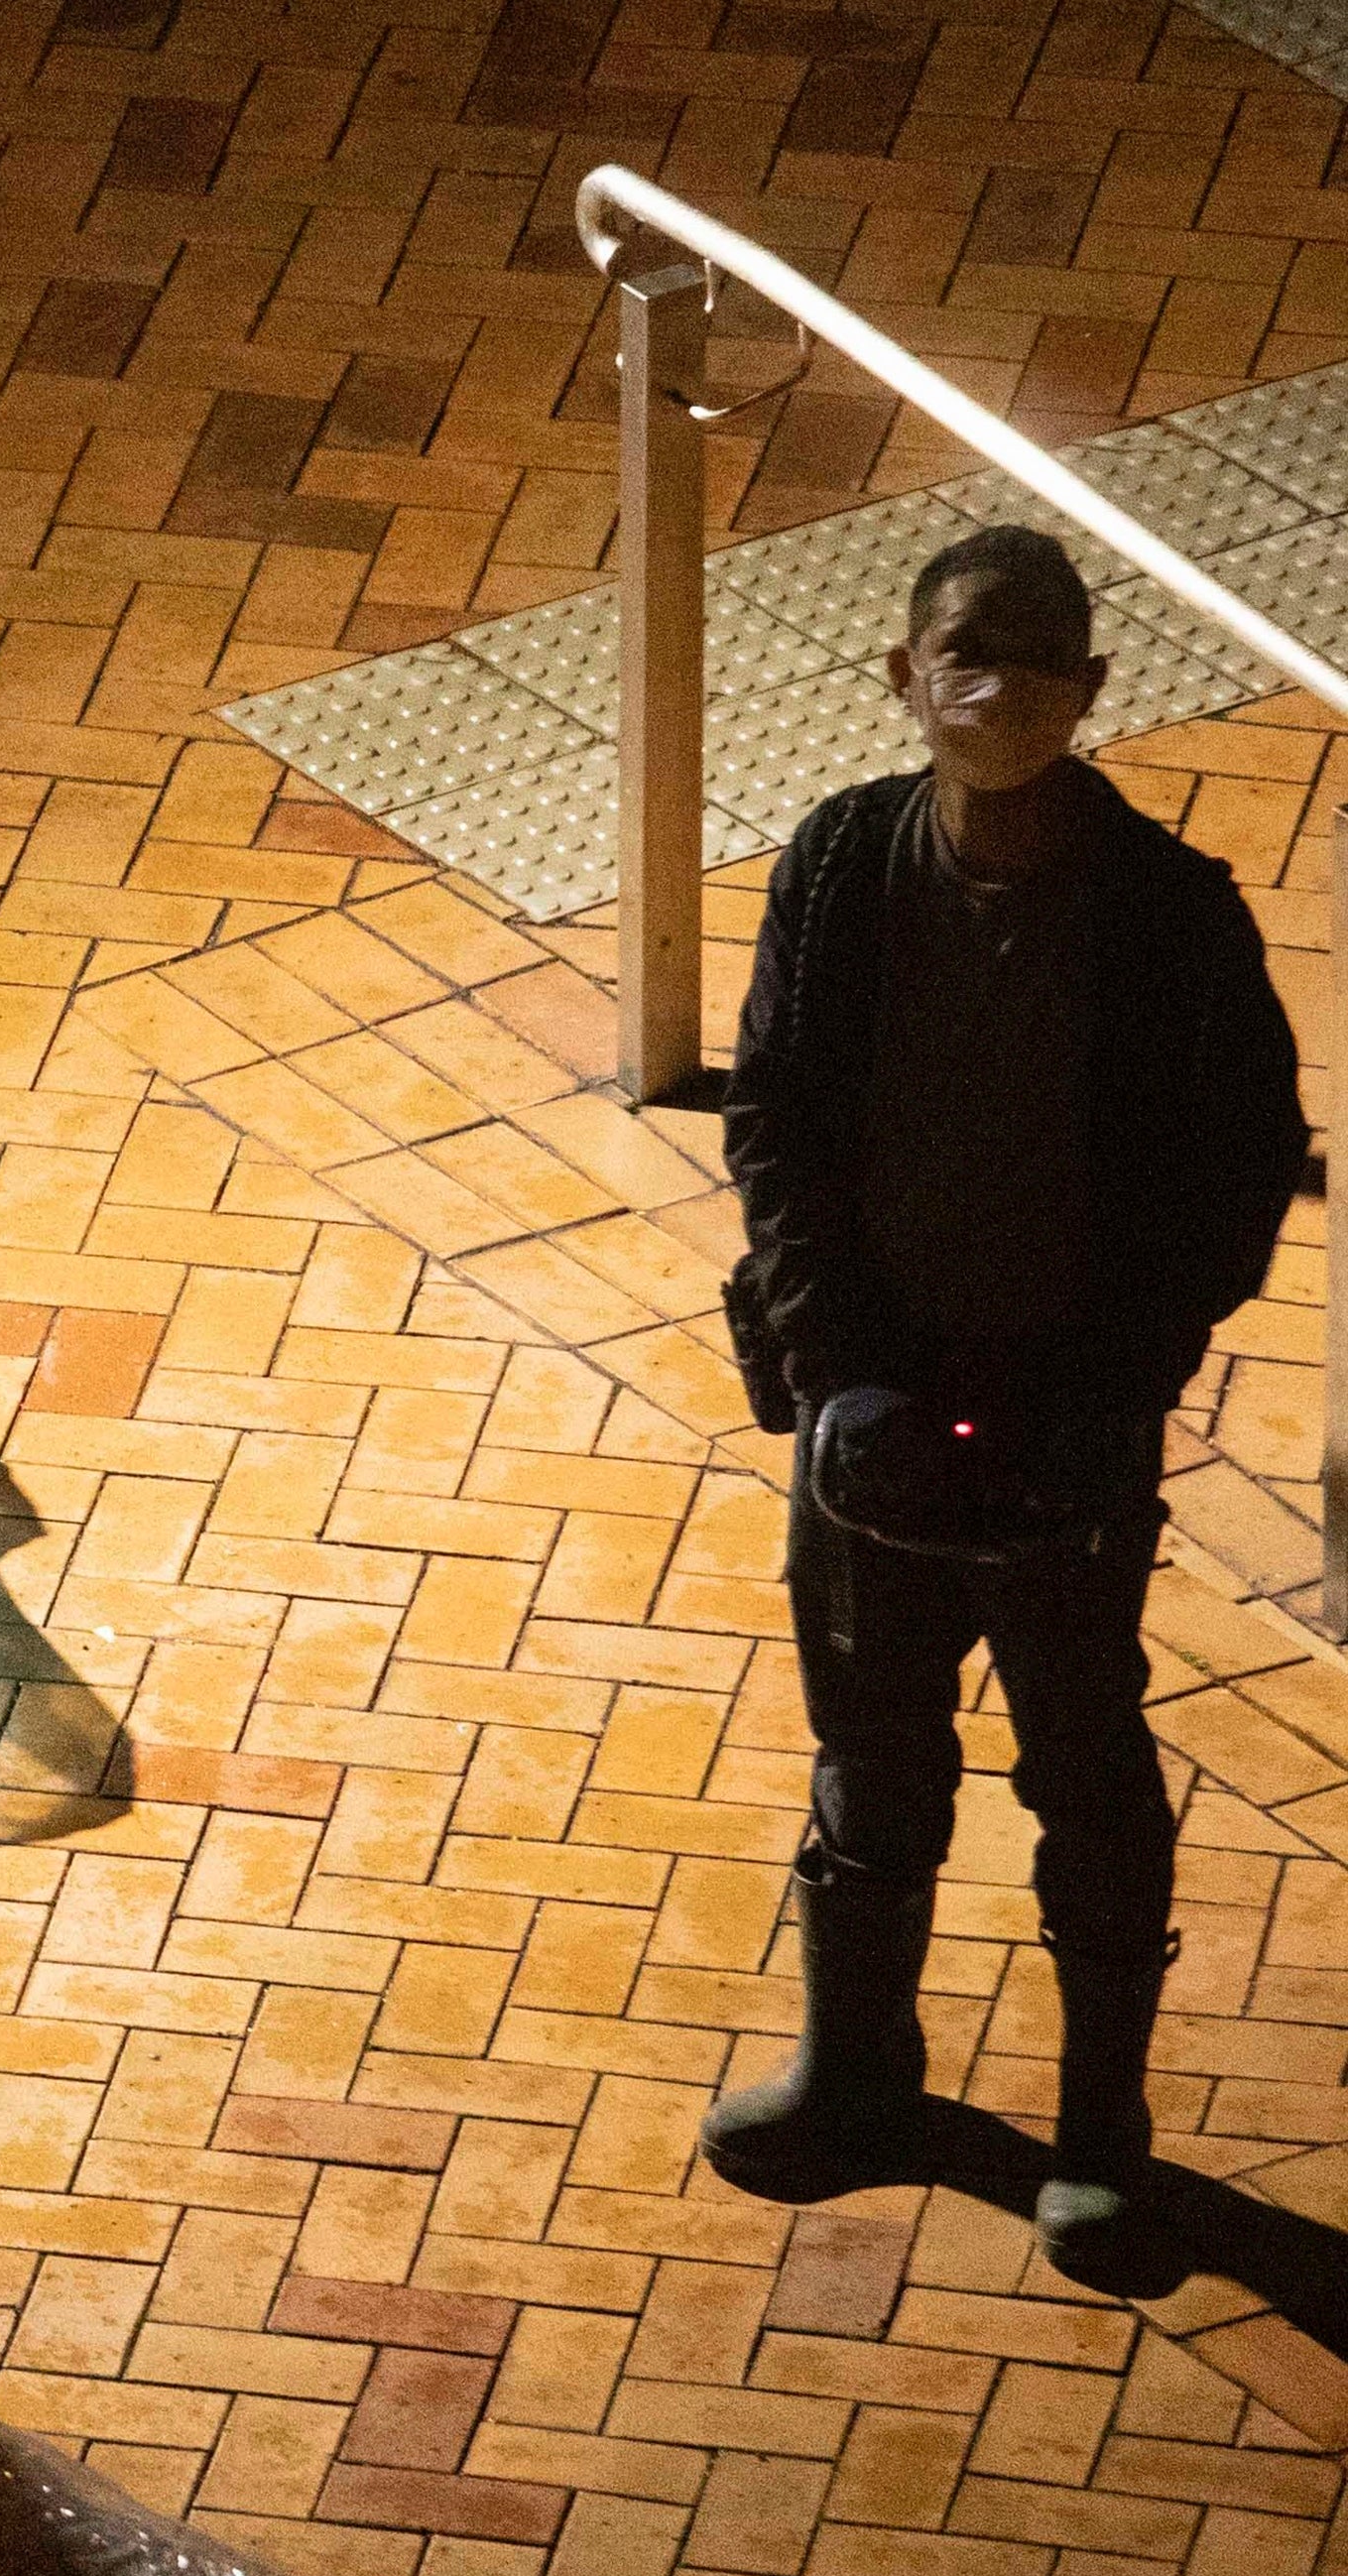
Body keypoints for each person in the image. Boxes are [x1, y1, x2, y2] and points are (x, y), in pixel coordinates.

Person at [703, 523, 1303, 2285]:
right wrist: (837, 1368)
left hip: (1066, 1427)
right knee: (871, 1748)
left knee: (1085, 1760)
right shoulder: (836, 862)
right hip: (869, 1423)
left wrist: (1110, 1385)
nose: (1003, 681)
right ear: (903, 673)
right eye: (970, 646)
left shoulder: (1173, 914)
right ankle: (863, 2071)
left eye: (1044, 653)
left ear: (1095, 692)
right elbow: (781, 1123)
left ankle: (1100, 2136)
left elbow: (1236, 1174)